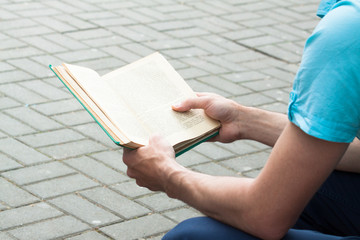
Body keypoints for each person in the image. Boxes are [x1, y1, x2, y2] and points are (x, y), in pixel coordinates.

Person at [122, 0, 360, 239]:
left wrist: (167, 175)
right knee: (308, 180)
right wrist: (243, 120)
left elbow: (265, 215)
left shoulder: (347, 32)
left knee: (192, 236)